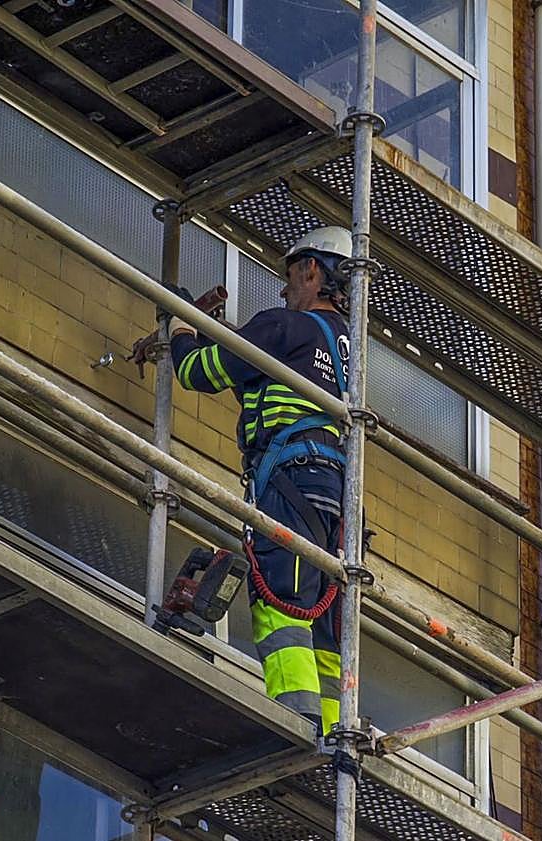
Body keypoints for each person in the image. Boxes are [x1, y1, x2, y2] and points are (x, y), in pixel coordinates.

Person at [169, 226, 352, 736]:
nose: (283, 289)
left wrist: (181, 325)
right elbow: (259, 387)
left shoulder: (283, 328)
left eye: (290, 275)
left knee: (281, 603)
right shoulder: (349, 357)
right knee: (324, 632)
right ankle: (334, 735)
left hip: (288, 485)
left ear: (313, 271)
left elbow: (199, 372)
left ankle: (296, 721)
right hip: (336, 500)